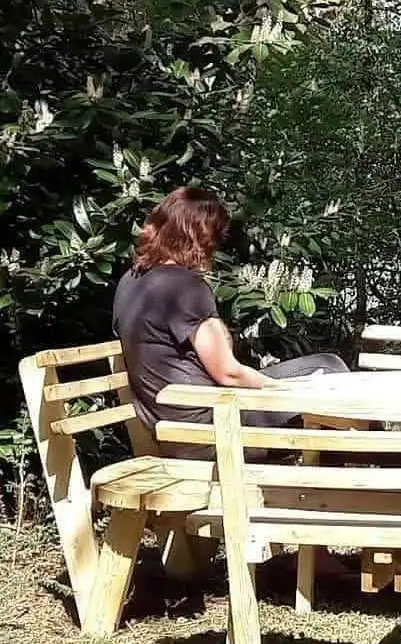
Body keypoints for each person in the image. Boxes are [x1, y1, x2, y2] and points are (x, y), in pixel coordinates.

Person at [113, 185, 350, 459]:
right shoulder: (184, 286)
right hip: (216, 430)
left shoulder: (129, 282)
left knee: (323, 383)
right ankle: (393, 461)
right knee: (328, 367)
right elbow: (230, 373)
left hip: (175, 430)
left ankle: (378, 464)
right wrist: (283, 390)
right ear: (201, 236)